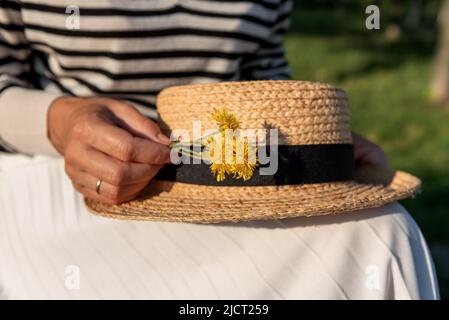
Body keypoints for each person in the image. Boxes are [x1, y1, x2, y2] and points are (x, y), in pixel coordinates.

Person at [0, 0, 439, 299]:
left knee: (382, 230)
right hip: (71, 170)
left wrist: (318, 145)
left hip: (242, 178)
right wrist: (60, 123)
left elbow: (264, 72)